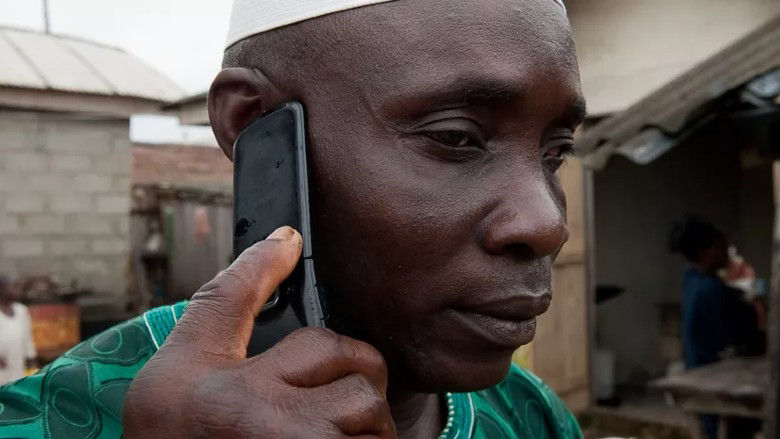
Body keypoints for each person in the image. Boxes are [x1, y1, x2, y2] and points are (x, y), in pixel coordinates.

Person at [0, 0, 586, 437]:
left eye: (555, 153)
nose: (547, 224)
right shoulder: (48, 418)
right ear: (255, 125)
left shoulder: (532, 415)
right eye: (456, 137)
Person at [668, 217, 761, 439]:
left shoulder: (691, 279)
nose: (727, 251)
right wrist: (752, 290)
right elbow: (752, 324)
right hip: (718, 382)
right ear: (707, 251)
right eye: (722, 245)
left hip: (698, 373)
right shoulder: (713, 292)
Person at [0, 275, 37, 385]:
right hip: (2, 366)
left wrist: (31, 357)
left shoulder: (21, 310)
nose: (19, 290)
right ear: (1, 289)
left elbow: (27, 337)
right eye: (14, 286)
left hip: (17, 362)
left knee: (15, 388)